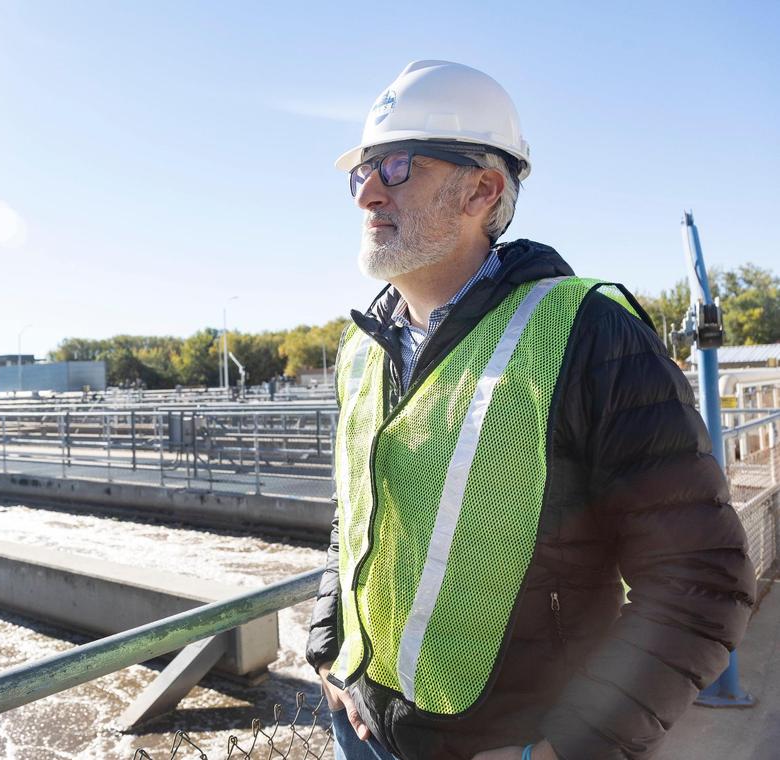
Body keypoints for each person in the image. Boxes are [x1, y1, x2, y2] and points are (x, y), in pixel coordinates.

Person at [304, 60, 755, 760]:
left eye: (395, 167)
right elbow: (355, 518)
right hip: (358, 730)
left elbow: (701, 578)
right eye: (360, 171)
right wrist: (326, 649)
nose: (366, 192)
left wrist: (569, 748)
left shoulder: (591, 336)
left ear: (483, 188)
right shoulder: (360, 351)